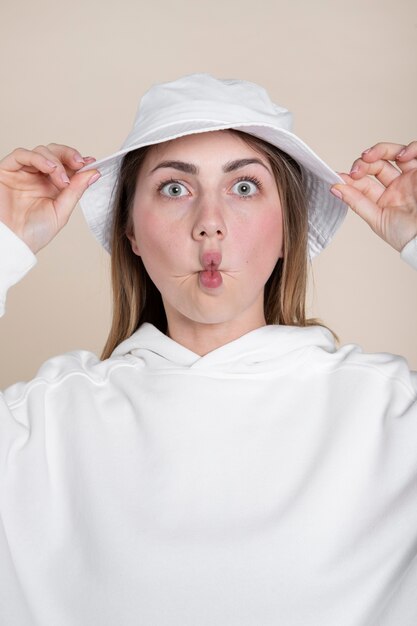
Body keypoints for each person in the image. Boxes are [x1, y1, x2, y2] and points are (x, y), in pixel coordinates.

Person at [0, 73, 416, 626]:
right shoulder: (40, 425)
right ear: (130, 231)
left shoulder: (390, 415)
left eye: (244, 187)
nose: (210, 224)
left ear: (290, 226)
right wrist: (4, 241)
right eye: (176, 188)